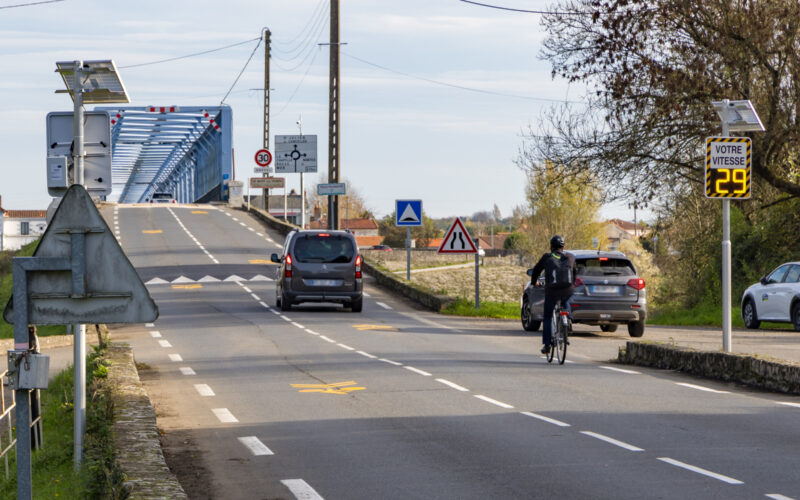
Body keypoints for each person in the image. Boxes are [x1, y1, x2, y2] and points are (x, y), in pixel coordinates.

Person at [529, 235, 577, 354]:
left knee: (547, 317)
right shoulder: (570, 257)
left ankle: (546, 345)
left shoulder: (547, 257)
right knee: (566, 300)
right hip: (568, 289)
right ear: (563, 247)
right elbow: (575, 273)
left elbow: (536, 271)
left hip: (552, 291)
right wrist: (572, 286)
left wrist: (534, 282)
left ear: (551, 247)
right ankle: (568, 319)